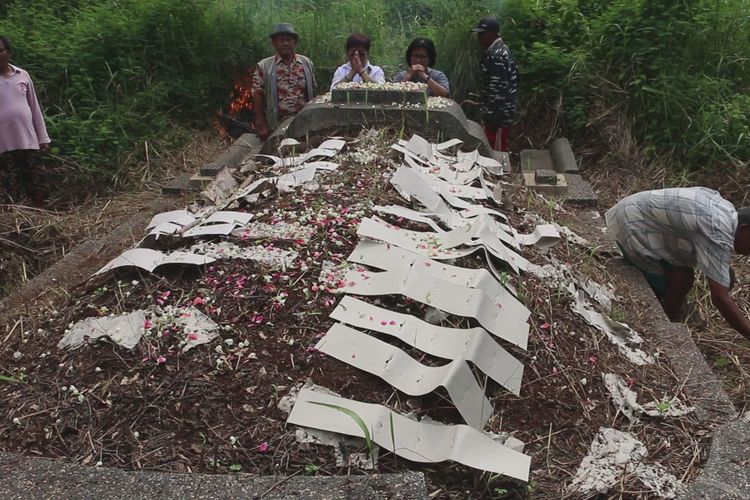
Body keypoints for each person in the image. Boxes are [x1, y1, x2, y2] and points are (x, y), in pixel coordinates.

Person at [606, 187, 750, 339]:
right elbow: (720, 298)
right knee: (675, 283)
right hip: (629, 226)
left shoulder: (725, 209)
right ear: (745, 230)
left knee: (683, 278)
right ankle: (659, 333)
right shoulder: (718, 233)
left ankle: (666, 324)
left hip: (630, 210)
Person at [0, 35, 51, 206]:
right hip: (3, 147)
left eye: (1, 51)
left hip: (28, 141)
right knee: (10, 191)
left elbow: (35, 109)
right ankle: (17, 226)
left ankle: (43, 220)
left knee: (38, 186)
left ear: (9, 53)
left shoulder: (22, 75)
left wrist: (43, 138)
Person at [251, 23, 316, 140]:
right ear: (274, 43)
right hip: (276, 125)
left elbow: (313, 89)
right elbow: (257, 94)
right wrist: (260, 122)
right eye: (281, 40)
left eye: (289, 40)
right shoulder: (264, 66)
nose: (285, 43)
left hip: (304, 124)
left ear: (295, 43)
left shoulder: (306, 63)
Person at [471, 17, 518, 152]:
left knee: (496, 153)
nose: (479, 38)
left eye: (482, 34)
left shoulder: (496, 55)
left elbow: (498, 89)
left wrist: (492, 118)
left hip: (498, 116)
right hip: (500, 113)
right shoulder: (502, 50)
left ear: (492, 34)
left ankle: (499, 173)